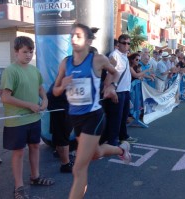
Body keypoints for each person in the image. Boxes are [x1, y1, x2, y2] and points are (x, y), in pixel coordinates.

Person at [52, 23, 131, 199]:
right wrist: (62, 85)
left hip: (93, 117)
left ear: (88, 40)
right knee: (96, 153)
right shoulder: (66, 63)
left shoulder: (97, 59)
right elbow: (56, 91)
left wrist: (111, 85)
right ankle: (121, 150)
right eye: (71, 35)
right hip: (76, 118)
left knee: (79, 168)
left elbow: (115, 72)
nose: (73, 39)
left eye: (78, 36)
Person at [0, 36, 55, 199]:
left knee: (35, 147)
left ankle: (35, 177)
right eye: (25, 52)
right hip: (17, 120)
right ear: (16, 52)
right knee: (18, 153)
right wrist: (29, 105)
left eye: (31, 52)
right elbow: (5, 97)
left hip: (34, 118)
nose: (28, 55)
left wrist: (45, 99)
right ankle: (18, 188)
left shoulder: (34, 70)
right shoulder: (11, 70)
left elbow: (40, 89)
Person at [100, 34, 138, 146]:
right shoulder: (114, 55)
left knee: (123, 117)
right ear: (118, 44)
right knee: (115, 118)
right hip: (117, 92)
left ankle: (123, 136)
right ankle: (112, 141)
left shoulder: (125, 56)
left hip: (125, 91)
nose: (126, 45)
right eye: (124, 43)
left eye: (128, 43)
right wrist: (111, 90)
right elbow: (109, 75)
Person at [47, 82, 74, 173]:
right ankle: (65, 164)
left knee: (60, 134)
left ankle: (61, 155)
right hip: (61, 108)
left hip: (60, 107)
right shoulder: (67, 75)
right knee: (63, 136)